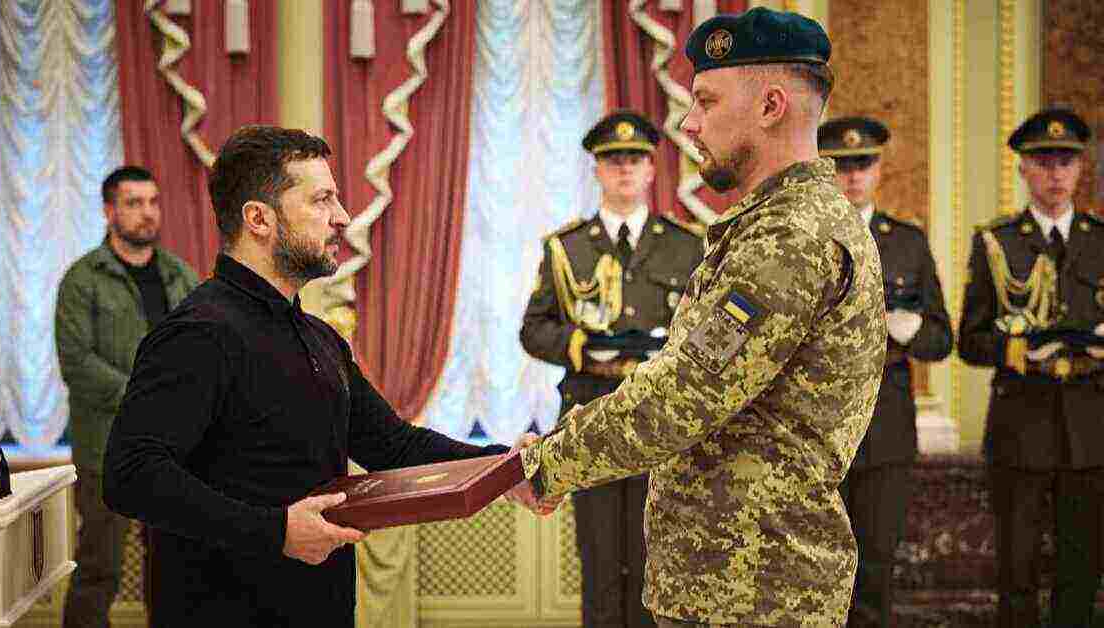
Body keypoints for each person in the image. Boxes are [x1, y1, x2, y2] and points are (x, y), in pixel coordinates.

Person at [512, 7, 888, 627]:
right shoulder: (783, 222)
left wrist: (545, 464)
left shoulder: (790, 235)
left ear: (770, 106)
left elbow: (684, 394)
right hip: (734, 581)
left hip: (753, 590)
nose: (689, 122)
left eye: (707, 101)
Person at [101, 126, 528, 627]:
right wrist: (275, 530)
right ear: (259, 219)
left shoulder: (319, 336)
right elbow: (131, 474)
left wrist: (507, 467)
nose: (342, 217)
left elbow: (393, 445)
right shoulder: (199, 331)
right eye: (322, 200)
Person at [521, 110, 705, 628]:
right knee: (600, 565)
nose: (625, 168)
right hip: (589, 418)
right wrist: (581, 348)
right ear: (598, 170)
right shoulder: (567, 247)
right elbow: (533, 329)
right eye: (613, 160)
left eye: (635, 159)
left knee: (655, 567)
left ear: (651, 169)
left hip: (661, 421)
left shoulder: (687, 244)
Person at [957, 106, 1104, 628]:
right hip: (1021, 431)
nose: (1055, 173)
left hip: (1090, 434)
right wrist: (1019, 352)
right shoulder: (997, 241)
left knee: (1080, 575)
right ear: (1023, 169)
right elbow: (970, 340)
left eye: (1065, 161)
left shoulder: (1099, 239)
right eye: (1043, 162)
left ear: (1080, 168)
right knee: (1016, 575)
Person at [817, 116, 954, 625]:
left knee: (876, 570)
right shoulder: (801, 239)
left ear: (878, 170)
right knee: (815, 573)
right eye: (842, 165)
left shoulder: (907, 243)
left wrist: (911, 331)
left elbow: (941, 340)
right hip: (815, 428)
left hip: (885, 427)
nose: (853, 175)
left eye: (864, 164)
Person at [55, 166, 200, 628]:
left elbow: (204, 351)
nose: (147, 212)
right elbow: (77, 362)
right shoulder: (83, 279)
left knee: (174, 568)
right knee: (99, 568)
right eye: (134, 203)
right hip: (107, 451)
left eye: (153, 202)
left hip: (176, 452)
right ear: (109, 211)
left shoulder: (180, 275)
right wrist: (146, 397)